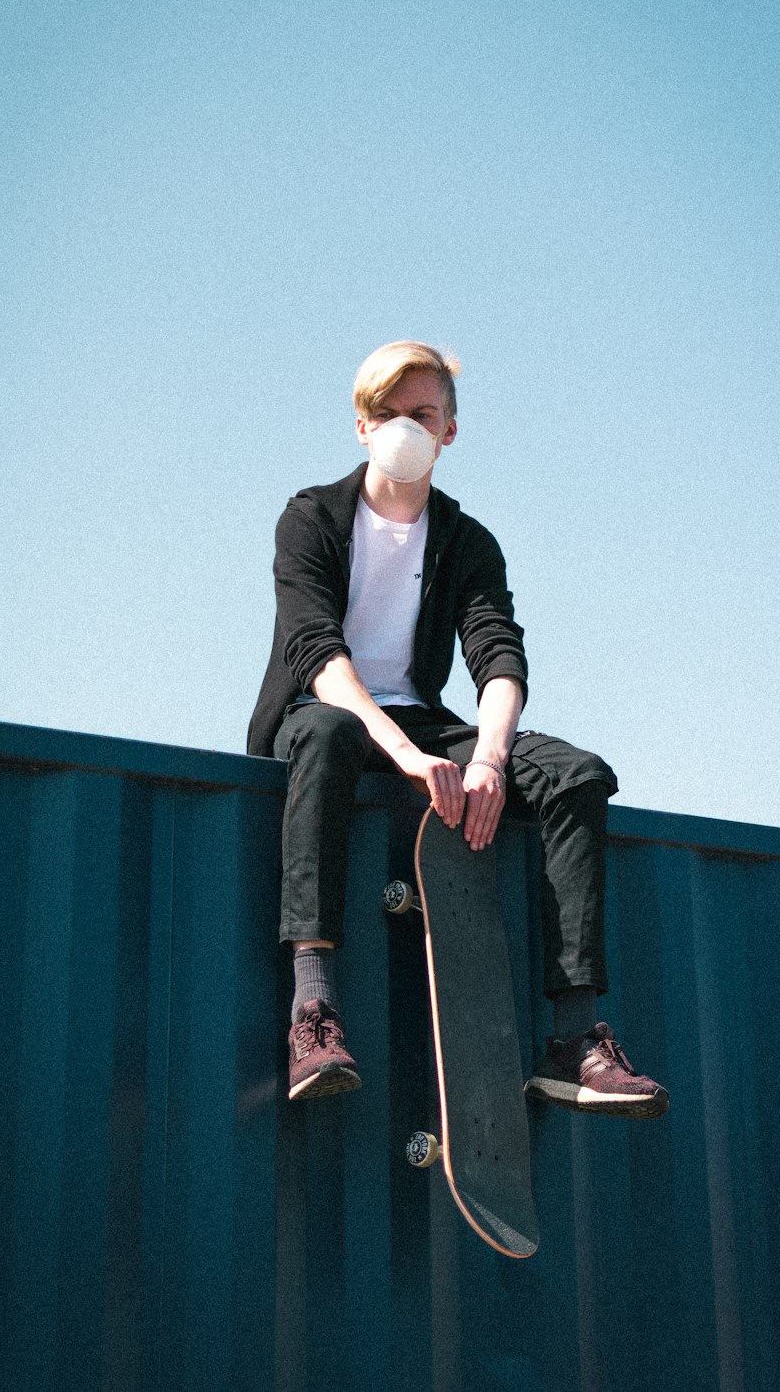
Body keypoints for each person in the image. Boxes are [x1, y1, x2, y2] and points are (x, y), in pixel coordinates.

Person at [248, 341, 668, 1118]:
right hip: (325, 719)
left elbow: (498, 655)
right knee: (336, 732)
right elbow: (314, 652)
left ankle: (571, 1042)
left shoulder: (468, 542)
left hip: (424, 722)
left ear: (449, 433)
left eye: (423, 415)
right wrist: (403, 754)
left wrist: (494, 761)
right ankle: (313, 1012)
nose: (405, 428)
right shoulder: (308, 518)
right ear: (361, 426)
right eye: (389, 414)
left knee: (576, 774)